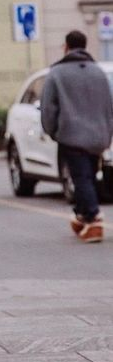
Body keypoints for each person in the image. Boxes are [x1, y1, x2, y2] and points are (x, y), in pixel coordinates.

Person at [41, 30, 113, 243]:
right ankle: (81, 215)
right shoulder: (98, 72)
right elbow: (109, 106)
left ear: (66, 46)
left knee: (80, 178)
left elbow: (48, 108)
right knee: (88, 176)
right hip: (99, 136)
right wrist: (107, 133)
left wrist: (53, 131)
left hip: (71, 134)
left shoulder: (57, 74)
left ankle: (92, 218)